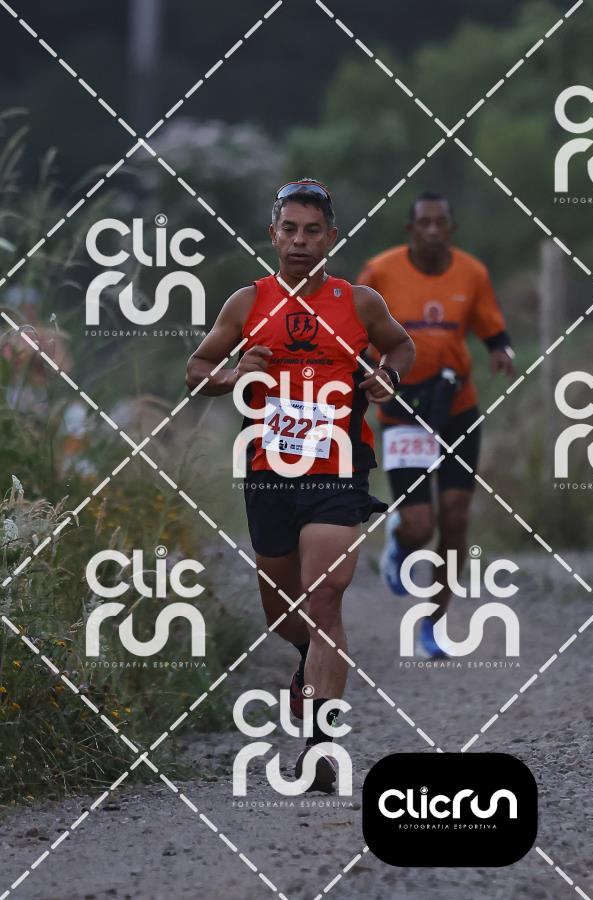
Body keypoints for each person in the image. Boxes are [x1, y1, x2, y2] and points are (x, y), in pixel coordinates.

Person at [186, 179, 415, 791]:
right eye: (289, 229)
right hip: (268, 474)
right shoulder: (247, 302)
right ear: (273, 235)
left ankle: (320, 748)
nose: (300, 241)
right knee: (284, 616)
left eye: (313, 231)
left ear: (331, 239)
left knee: (326, 599)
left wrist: (388, 378)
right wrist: (233, 374)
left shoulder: (359, 302)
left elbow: (401, 346)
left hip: (338, 468)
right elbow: (196, 371)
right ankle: (306, 661)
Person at [357, 191, 515, 658]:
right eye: (423, 222)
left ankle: (433, 622)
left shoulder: (472, 272)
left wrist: (501, 351)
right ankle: (400, 538)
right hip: (403, 407)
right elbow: (356, 331)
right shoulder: (380, 272)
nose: (431, 230)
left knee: (456, 517)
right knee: (420, 525)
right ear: (410, 229)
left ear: (451, 228)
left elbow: (492, 328)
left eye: (439, 222)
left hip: (456, 407)